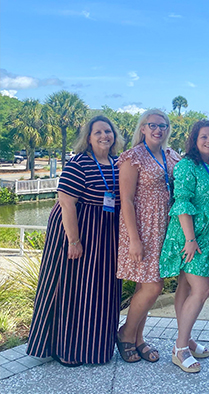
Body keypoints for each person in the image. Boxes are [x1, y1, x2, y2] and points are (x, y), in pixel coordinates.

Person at [27, 115, 124, 366]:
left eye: (108, 131)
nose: (104, 136)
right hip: (78, 231)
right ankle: (67, 349)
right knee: (73, 290)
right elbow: (66, 201)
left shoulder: (116, 163)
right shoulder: (79, 163)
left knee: (99, 291)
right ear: (88, 138)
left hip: (104, 236)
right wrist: (73, 241)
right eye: (98, 132)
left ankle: (93, 348)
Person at [159, 120, 209, 373]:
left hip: (207, 237)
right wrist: (189, 238)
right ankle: (180, 348)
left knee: (186, 287)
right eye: (204, 137)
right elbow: (182, 202)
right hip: (191, 237)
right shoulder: (187, 165)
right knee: (202, 289)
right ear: (194, 140)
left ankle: (185, 338)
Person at [116, 109, 180, 363]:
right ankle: (126, 334)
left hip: (164, 227)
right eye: (152, 125)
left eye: (163, 125)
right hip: (142, 227)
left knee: (147, 286)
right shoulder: (133, 157)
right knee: (154, 286)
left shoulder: (171, 156)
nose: (158, 129)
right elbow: (127, 200)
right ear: (142, 128)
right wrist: (134, 238)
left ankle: (138, 339)